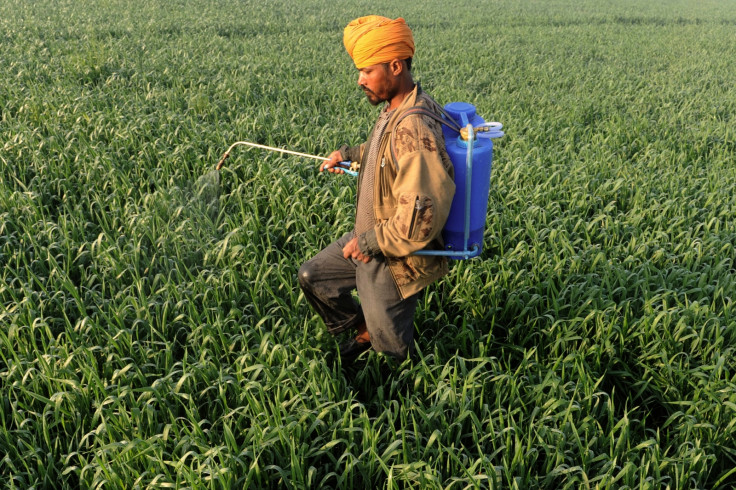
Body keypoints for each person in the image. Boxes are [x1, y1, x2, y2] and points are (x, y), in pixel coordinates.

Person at [298, 15, 455, 363]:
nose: (360, 80)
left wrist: (367, 243)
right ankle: (363, 331)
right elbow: (383, 152)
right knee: (313, 276)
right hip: (370, 238)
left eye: (367, 70)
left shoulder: (414, 127)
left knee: (391, 358)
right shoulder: (394, 109)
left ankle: (402, 405)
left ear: (396, 65)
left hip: (393, 257)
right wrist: (350, 155)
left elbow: (420, 219)